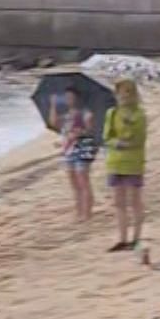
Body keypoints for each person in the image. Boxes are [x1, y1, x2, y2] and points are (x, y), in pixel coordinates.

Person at [103, 79, 148, 251]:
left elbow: (139, 139)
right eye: (121, 92)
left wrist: (129, 126)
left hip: (134, 162)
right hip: (115, 162)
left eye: (128, 92)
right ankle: (122, 238)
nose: (124, 96)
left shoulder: (139, 115)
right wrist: (116, 142)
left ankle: (136, 238)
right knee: (118, 202)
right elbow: (107, 137)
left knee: (134, 201)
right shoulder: (112, 113)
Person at [49, 88, 98, 222]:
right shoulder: (66, 115)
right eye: (67, 97)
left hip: (83, 150)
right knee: (74, 183)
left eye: (71, 97)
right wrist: (53, 105)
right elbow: (53, 123)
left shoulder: (85, 113)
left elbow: (90, 130)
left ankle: (87, 214)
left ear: (77, 98)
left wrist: (78, 133)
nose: (69, 100)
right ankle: (79, 211)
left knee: (83, 181)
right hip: (69, 150)